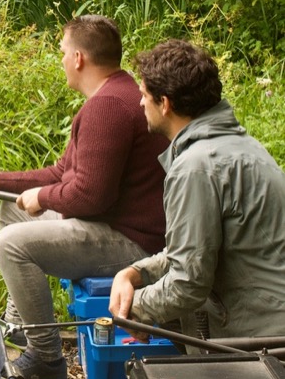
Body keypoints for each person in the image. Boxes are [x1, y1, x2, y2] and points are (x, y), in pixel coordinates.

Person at [0, 14, 169, 379]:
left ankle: (45, 357)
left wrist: (42, 198)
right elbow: (64, 172)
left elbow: (89, 196)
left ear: (78, 58)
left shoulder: (107, 108)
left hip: (134, 243)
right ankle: (23, 326)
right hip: (113, 224)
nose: (60, 60)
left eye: (61, 52)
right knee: (10, 205)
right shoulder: (114, 95)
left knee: (11, 245)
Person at [109, 40, 285, 342]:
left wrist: (130, 310)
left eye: (144, 96)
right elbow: (195, 248)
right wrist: (136, 273)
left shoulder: (196, 167)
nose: (140, 104)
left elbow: (187, 285)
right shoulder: (243, 146)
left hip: (261, 343)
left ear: (165, 104)